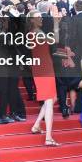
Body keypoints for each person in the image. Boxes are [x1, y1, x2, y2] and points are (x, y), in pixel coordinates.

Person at [25, 11, 59, 145]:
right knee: (50, 101)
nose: (41, 18)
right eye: (38, 17)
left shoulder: (37, 32)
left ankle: (37, 125)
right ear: (32, 20)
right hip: (43, 68)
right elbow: (55, 40)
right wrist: (56, 23)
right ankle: (49, 137)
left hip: (44, 67)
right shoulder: (36, 32)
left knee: (52, 98)